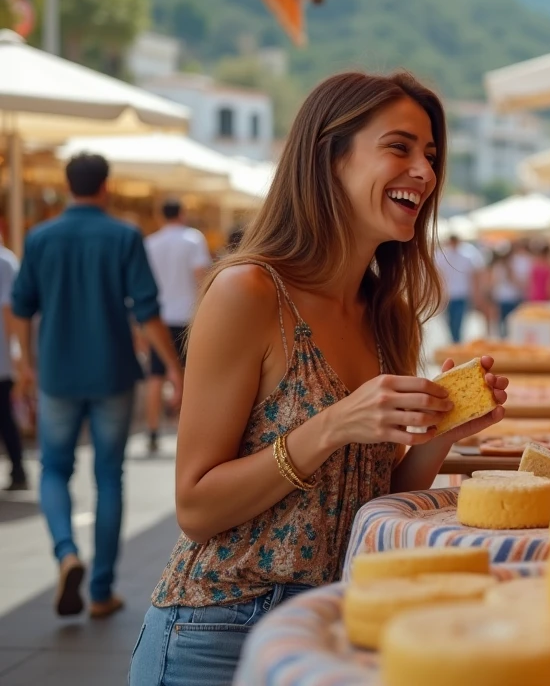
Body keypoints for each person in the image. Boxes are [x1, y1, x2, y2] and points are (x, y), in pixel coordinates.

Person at [128, 72, 507, 685]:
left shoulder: (389, 313)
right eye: (399, 147)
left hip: (333, 622)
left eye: (431, 157)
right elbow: (195, 507)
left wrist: (445, 430)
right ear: (331, 158)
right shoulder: (248, 292)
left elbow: (374, 490)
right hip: (221, 628)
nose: (425, 173)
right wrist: (333, 424)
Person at [11, 152, 184, 619]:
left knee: (53, 469)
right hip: (112, 372)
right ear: (105, 187)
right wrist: (173, 366)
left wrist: (28, 365)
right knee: (110, 476)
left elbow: (21, 307)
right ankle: (102, 588)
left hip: (57, 374)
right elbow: (146, 310)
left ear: (69, 186)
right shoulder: (124, 236)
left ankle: (66, 551)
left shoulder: (40, 237)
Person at [142, 198, 212, 454]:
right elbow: (201, 276)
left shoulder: (150, 243)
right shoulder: (193, 239)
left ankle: (151, 431)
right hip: (188, 316)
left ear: (161, 215)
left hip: (157, 318)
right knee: (191, 374)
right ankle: (187, 432)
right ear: (182, 214)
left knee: (155, 374)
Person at [0, 234, 26, 491]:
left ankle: (18, 468)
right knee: (5, 415)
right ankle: (18, 468)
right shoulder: (5, 261)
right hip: (2, 356)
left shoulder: (5, 261)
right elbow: (11, 310)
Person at [434, 234, 483, 343]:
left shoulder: (464, 255)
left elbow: (473, 276)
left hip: (458, 293)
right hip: (451, 294)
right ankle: (455, 340)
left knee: (457, 321)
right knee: (452, 321)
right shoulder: (443, 255)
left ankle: (456, 340)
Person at [487, 247, 524, 338]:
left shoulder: (507, 267)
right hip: (503, 298)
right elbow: (493, 283)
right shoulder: (498, 268)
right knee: (503, 324)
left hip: (510, 298)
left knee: (508, 324)